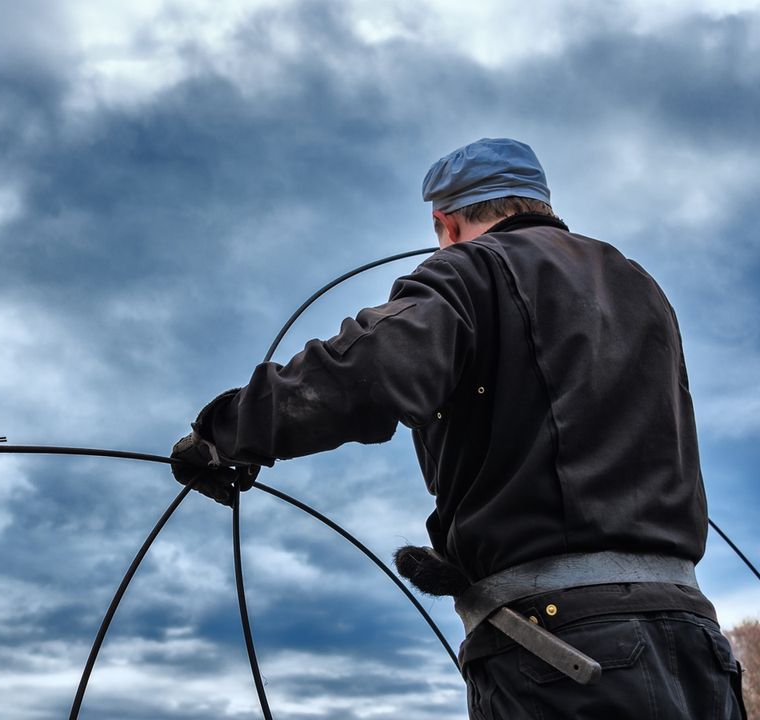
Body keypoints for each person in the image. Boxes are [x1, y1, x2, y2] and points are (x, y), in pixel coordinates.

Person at [171, 138, 747, 718]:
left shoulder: (470, 269)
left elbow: (366, 370)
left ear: (444, 222)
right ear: (538, 202)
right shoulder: (640, 286)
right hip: (698, 647)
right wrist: (465, 560)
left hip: (568, 654)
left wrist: (223, 433)